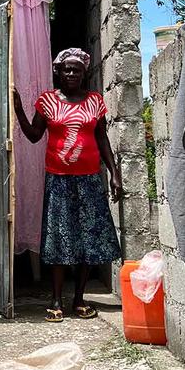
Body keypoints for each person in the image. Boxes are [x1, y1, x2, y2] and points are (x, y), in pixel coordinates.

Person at [12, 47, 123, 321]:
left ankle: (79, 299)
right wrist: (19, 111)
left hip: (89, 181)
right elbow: (35, 136)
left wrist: (114, 173)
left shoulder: (95, 102)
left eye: (77, 70)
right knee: (59, 240)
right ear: (58, 73)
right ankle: (56, 300)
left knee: (87, 239)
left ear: (84, 74)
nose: (72, 74)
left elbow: (102, 139)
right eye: (67, 70)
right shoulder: (48, 102)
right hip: (58, 180)